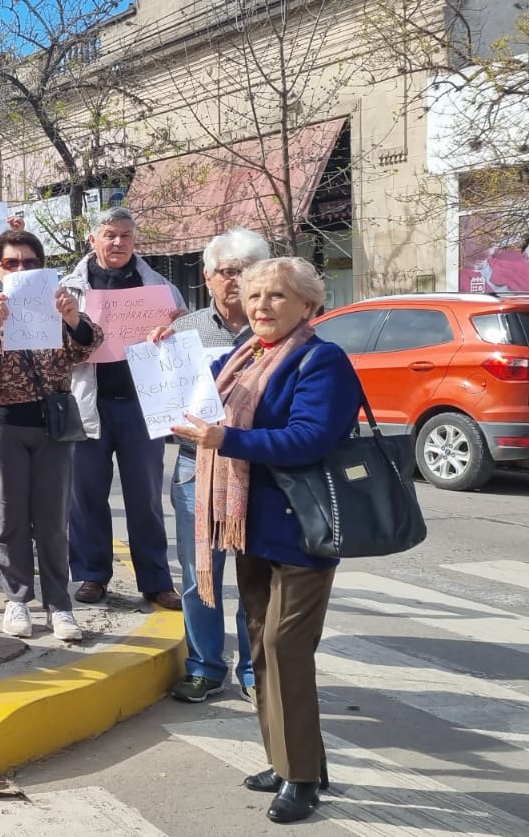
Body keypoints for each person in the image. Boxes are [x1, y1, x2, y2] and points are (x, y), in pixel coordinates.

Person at [169, 257, 358, 824]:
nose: (261, 307)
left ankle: (301, 778)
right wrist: (165, 354)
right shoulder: (243, 356)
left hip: (303, 530)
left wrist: (227, 438)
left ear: (308, 305)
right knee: (259, 642)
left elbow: (309, 438)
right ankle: (288, 758)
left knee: (284, 648)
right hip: (249, 525)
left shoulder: (321, 360)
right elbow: (194, 393)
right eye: (254, 297)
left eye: (276, 296)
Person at [150, 228, 270, 704]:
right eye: (227, 271)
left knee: (255, 573)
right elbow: (163, 401)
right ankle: (204, 666)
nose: (236, 280)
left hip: (255, 464)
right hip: (194, 466)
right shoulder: (182, 331)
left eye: (247, 270)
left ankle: (254, 668)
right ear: (207, 276)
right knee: (201, 571)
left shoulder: (273, 330)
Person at [0, 231, 103, 643]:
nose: (22, 270)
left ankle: (60, 606)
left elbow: (90, 345)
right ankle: (17, 599)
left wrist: (73, 319)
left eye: (30, 263)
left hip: (52, 424)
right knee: (8, 518)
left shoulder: (58, 303)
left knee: (52, 520)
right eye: (13, 264)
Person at [62, 206, 185, 610]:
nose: (118, 243)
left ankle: (156, 580)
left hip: (141, 405)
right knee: (86, 495)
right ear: (93, 238)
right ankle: (92, 574)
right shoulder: (71, 289)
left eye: (126, 236)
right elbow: (53, 349)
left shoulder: (160, 288)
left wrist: (175, 328)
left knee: (146, 496)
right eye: (110, 234)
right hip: (89, 402)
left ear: (135, 240)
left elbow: (184, 340)